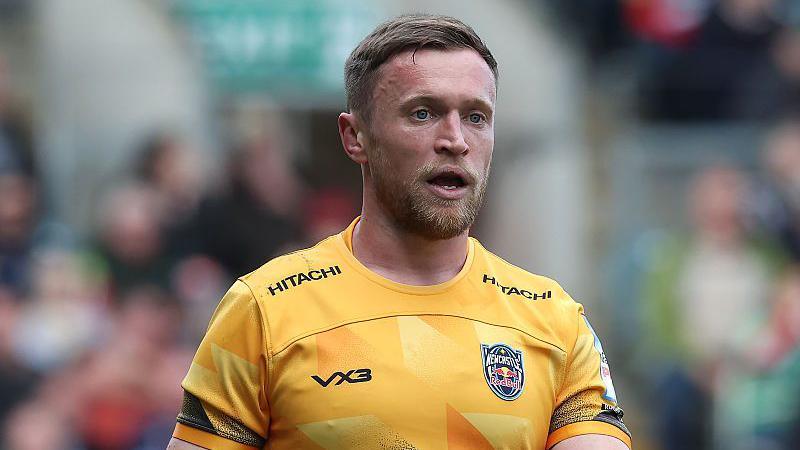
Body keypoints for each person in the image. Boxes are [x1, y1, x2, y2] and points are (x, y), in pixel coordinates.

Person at [167, 14, 631, 450]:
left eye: (475, 116)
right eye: (424, 113)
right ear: (355, 138)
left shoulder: (555, 321)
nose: (456, 139)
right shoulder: (264, 310)